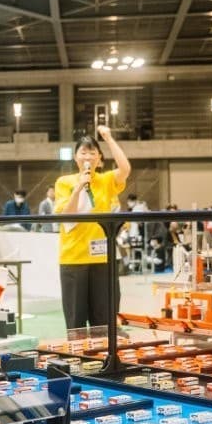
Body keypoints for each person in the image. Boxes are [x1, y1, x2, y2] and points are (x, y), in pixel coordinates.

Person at [54, 125, 131, 329]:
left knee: (104, 322)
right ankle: (77, 350)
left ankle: (105, 350)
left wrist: (108, 138)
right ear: (75, 157)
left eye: (92, 152)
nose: (88, 156)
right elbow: (66, 215)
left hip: (102, 259)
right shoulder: (64, 182)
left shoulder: (105, 181)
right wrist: (79, 187)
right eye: (83, 152)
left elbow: (125, 169)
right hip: (73, 259)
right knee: (76, 323)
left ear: (99, 158)